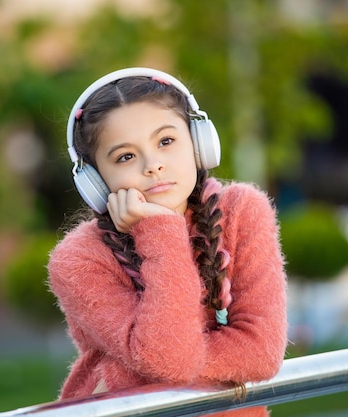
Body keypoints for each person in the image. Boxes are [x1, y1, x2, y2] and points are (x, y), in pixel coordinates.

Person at [47, 67, 287, 417]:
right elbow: (169, 358)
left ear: (199, 143)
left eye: (166, 141)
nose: (153, 165)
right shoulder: (77, 260)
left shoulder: (242, 211)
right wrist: (160, 230)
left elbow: (259, 353)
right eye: (125, 156)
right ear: (95, 181)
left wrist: (128, 371)